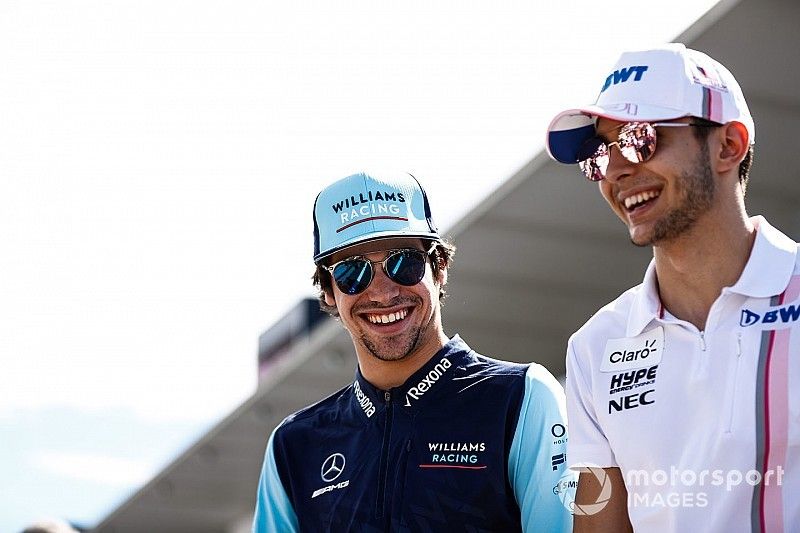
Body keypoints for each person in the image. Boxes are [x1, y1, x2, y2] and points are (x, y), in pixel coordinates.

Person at [545, 43, 799, 532]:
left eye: (640, 139)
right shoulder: (595, 346)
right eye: (599, 153)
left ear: (729, 145)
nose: (616, 170)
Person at [252, 171, 573, 531]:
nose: (383, 293)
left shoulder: (522, 397)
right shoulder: (293, 445)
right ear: (328, 292)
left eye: (404, 262)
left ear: (439, 268)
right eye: (352, 273)